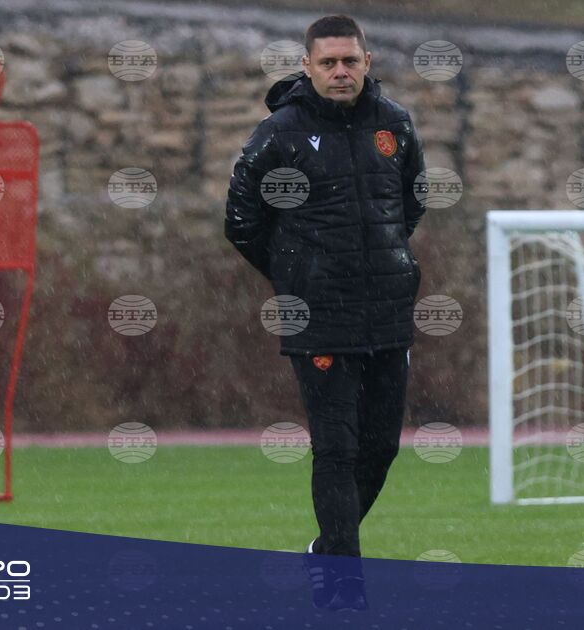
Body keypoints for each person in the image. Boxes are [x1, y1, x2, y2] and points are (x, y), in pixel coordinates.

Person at [224, 14, 427, 610]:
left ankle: (325, 551)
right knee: (336, 449)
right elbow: (241, 221)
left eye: (350, 61)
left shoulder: (395, 124)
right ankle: (343, 588)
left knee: (381, 448)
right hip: (318, 316)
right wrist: (299, 276)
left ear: (367, 63)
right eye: (328, 62)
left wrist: (386, 259)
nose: (341, 71)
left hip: (387, 312)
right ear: (307, 67)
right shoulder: (280, 134)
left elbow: (410, 201)